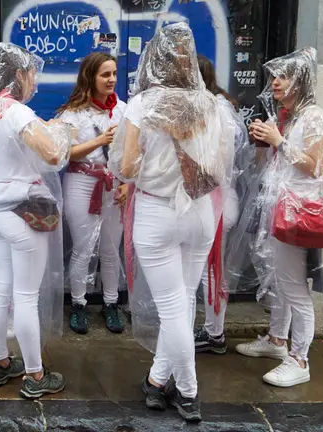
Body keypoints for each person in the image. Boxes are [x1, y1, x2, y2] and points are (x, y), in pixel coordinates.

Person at [108, 23, 233, 422]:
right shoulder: (211, 105)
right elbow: (222, 166)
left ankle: (189, 392)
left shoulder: (143, 104)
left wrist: (145, 160)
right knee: (182, 300)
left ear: (154, 60)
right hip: (201, 212)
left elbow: (127, 167)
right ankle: (158, 379)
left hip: (157, 213)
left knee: (172, 308)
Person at [0, 42, 72, 399]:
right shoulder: (16, 112)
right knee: (26, 296)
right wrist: (61, 131)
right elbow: (53, 153)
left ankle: (0, 363)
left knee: (2, 286)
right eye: (32, 74)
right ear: (18, 74)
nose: (36, 83)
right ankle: (35, 375)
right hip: (24, 214)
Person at [234, 47, 323, 388]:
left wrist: (278, 141)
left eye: (282, 77)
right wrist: (266, 143)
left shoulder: (315, 118)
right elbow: (276, 165)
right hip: (280, 209)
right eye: (274, 77)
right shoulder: (289, 118)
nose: (275, 83)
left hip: (299, 214)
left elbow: (316, 167)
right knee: (278, 280)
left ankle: (299, 359)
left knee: (294, 287)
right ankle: (278, 340)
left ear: (300, 82)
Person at [56, 52, 128, 335]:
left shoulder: (123, 110)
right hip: (81, 183)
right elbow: (66, 154)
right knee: (82, 249)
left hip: (114, 185)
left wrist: (128, 183)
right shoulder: (72, 113)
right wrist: (100, 140)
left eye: (114, 74)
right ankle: (78, 303)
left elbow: (134, 153)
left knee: (111, 250)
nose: (112, 80)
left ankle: (111, 303)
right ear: (90, 77)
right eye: (105, 74)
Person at [192, 55, 253, 354]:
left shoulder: (214, 110)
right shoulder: (221, 106)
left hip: (214, 201)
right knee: (211, 269)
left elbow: (218, 162)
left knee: (212, 270)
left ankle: (214, 333)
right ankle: (212, 329)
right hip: (219, 199)